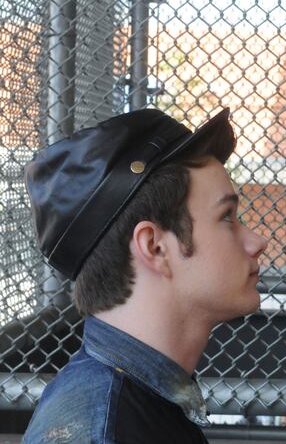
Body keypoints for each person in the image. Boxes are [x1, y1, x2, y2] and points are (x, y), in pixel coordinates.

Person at [23, 108, 268, 443]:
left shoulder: (139, 401)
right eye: (227, 217)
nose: (257, 242)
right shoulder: (102, 431)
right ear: (154, 247)